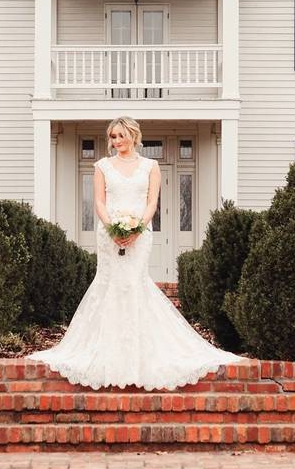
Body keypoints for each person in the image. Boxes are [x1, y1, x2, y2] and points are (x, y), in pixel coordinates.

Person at [27, 116, 243, 390]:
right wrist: (113, 229)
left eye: (121, 135)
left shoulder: (150, 166)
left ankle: (139, 353)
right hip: (108, 235)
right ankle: (107, 351)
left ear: (133, 135)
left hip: (141, 235)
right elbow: (99, 202)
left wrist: (137, 228)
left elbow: (152, 201)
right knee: (111, 285)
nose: (116, 141)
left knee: (133, 284)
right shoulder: (102, 166)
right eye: (113, 137)